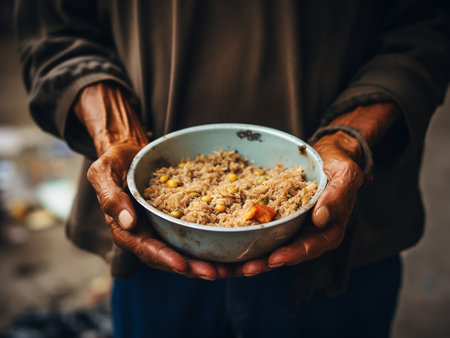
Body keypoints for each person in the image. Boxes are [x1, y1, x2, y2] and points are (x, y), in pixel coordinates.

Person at [15, 0, 449, 337]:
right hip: (152, 227)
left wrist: (347, 140)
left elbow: (428, 27)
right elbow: (52, 26)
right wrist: (117, 135)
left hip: (345, 230)